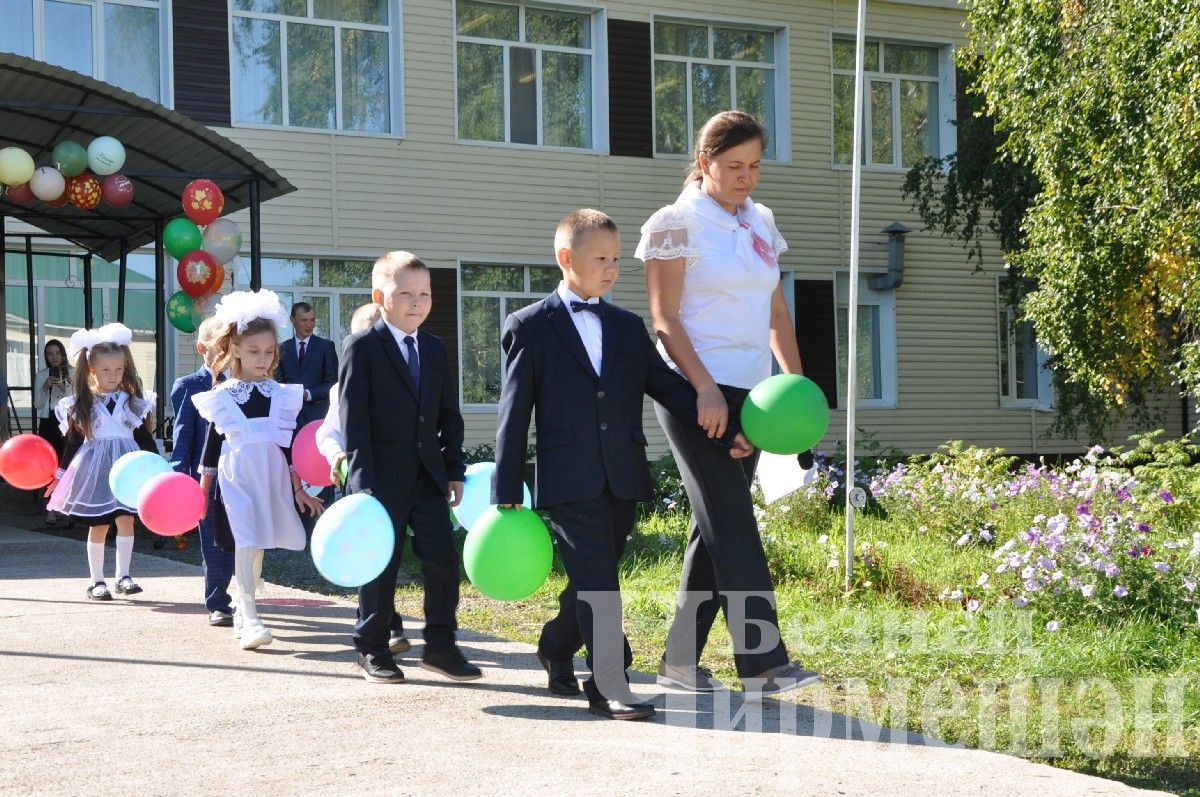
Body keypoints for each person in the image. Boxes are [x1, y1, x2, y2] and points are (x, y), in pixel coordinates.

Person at [492, 209, 753, 721]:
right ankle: (611, 684)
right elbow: (513, 409)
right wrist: (506, 484)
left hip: (622, 474)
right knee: (599, 582)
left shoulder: (628, 327)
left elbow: (672, 390)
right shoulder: (529, 326)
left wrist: (726, 433)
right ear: (566, 260)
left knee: (595, 575)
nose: (611, 269)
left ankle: (555, 643)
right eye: (600, 260)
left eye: (616, 260)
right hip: (567, 478)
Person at [636, 110, 822, 698]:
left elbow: (776, 314)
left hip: (757, 395)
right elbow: (664, 321)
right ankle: (764, 665)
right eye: (734, 166)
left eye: (755, 166)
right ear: (704, 162)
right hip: (695, 389)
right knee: (735, 523)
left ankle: (680, 663)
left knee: (715, 525)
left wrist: (797, 391)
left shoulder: (761, 220)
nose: (746, 178)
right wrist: (706, 390)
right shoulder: (673, 223)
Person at [340, 251, 480, 685]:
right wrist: (361, 486)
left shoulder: (434, 348)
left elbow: (447, 414)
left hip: (429, 477)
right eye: (406, 294)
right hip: (381, 479)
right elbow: (354, 420)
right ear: (381, 296)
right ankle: (372, 646)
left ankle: (440, 645)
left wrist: (454, 469)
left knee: (440, 559)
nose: (417, 302)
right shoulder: (362, 347)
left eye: (424, 293)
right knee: (381, 562)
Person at [192, 290, 325, 650]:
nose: (263, 359)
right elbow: (212, 444)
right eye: (254, 352)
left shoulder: (281, 395)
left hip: (271, 475)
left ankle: (242, 605)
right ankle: (249, 615)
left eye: (269, 352)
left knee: (259, 542)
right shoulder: (221, 396)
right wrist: (201, 492)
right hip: (236, 475)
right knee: (246, 538)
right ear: (234, 349)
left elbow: (288, 445)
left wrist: (300, 489)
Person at [314, 301, 410, 655]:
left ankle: (388, 618)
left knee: (392, 553)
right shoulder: (342, 388)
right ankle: (382, 625)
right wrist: (337, 455)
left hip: (399, 479)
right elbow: (327, 434)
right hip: (361, 483)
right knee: (370, 554)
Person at [44, 323, 158, 601]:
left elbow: (144, 438)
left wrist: (159, 469)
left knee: (126, 520)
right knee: (99, 524)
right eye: (106, 370)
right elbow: (71, 441)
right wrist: (59, 475)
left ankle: (124, 575)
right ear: (92, 369)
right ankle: (96, 580)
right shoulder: (81, 403)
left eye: (119, 369)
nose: (113, 375)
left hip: (128, 468)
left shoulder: (133, 402)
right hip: (95, 468)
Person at [169, 315, 236, 626]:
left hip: (238, 474)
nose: (225, 354)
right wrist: (179, 480)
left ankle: (233, 592)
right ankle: (218, 601)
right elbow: (183, 437)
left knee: (236, 541)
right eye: (218, 348)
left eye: (229, 347)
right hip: (204, 480)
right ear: (201, 348)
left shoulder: (241, 384)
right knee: (211, 542)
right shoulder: (189, 386)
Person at [275, 301, 337, 428]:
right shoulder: (282, 348)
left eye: (312, 320)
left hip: (318, 418)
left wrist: (308, 394)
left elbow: (332, 383)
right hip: (289, 419)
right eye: (304, 320)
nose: (309, 325)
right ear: (292, 320)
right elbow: (277, 383)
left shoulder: (326, 346)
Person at [33, 339, 71, 526]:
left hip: (67, 422)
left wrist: (64, 389)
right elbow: (38, 405)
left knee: (68, 463)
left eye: (57, 353)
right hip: (48, 421)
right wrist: (45, 388)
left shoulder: (72, 373)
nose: (54, 357)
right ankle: (51, 508)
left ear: (63, 354)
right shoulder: (41, 375)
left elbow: (78, 401)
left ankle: (68, 505)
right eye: (50, 354)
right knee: (49, 465)